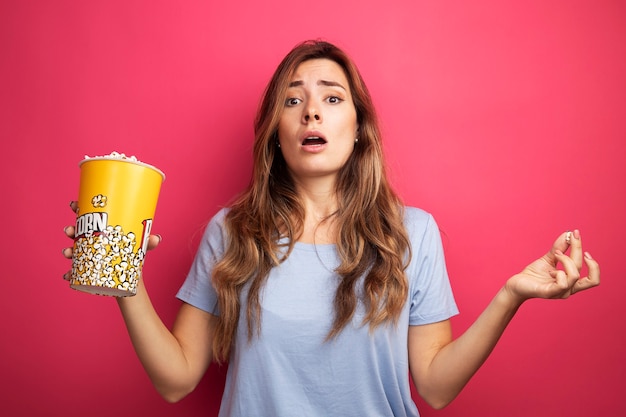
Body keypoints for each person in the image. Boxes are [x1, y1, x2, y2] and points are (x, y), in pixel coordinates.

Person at [62, 40, 600, 416]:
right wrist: (122, 283)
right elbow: (176, 380)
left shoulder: (412, 233)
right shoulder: (231, 232)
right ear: (275, 131)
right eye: (292, 100)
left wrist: (511, 296)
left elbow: (435, 388)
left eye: (331, 98)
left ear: (359, 127)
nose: (311, 112)